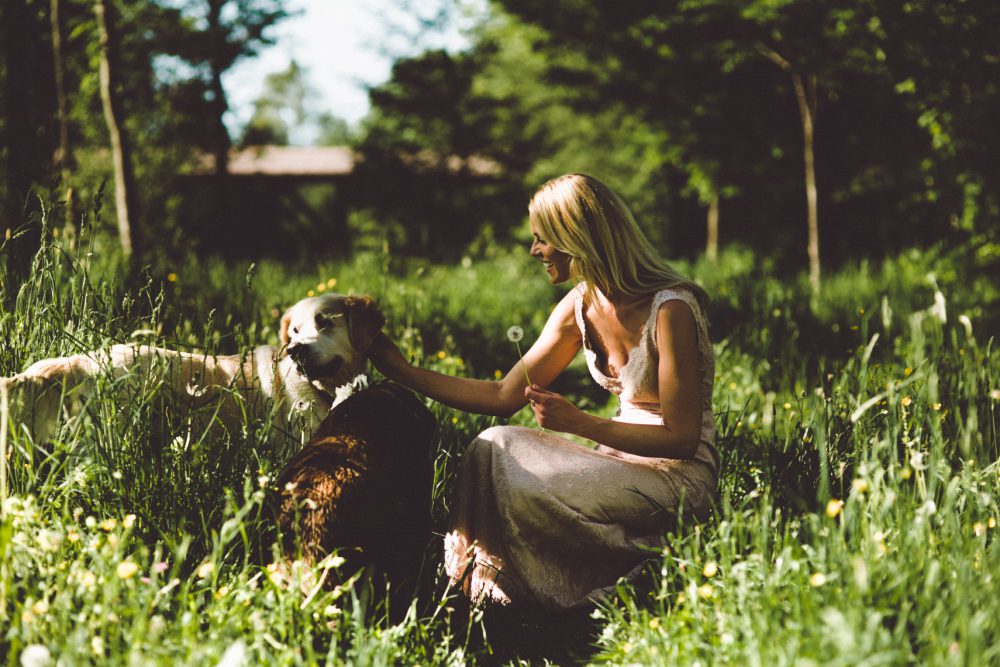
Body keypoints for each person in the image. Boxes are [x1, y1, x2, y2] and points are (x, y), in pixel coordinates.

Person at [369, 173, 718, 611]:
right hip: (619, 462)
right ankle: (479, 580)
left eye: (542, 239)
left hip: (676, 475)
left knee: (524, 487)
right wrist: (403, 372)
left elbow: (682, 439)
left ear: (576, 236)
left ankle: (628, 571)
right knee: (490, 447)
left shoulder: (670, 309)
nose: (535, 251)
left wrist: (580, 424)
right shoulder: (579, 305)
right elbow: (501, 395)